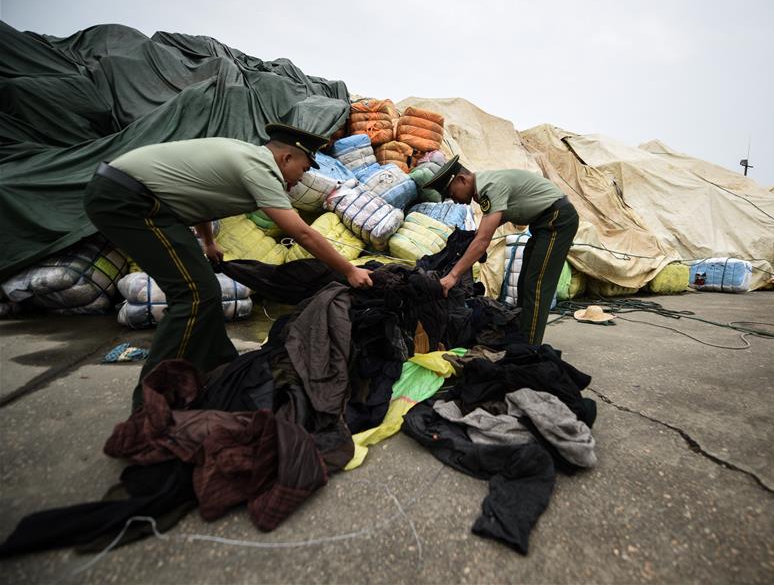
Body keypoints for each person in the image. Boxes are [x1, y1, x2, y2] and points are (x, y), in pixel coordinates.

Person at [83, 123, 373, 411]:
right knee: (194, 295)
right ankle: (152, 403)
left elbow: (200, 200)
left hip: (134, 197)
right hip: (129, 199)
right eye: (304, 169)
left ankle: (219, 370)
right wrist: (349, 270)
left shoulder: (246, 157)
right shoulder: (261, 169)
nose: (302, 178)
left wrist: (208, 242)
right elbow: (302, 233)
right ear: (287, 158)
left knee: (204, 291)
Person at [424, 156, 579, 345]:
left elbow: (483, 241)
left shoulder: (490, 187)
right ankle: (521, 338)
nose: (454, 200)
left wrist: (453, 275)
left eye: (451, 193)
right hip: (543, 224)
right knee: (524, 283)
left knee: (536, 286)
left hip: (557, 220)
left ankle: (529, 349)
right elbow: (491, 225)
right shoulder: (485, 187)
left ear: (462, 180)